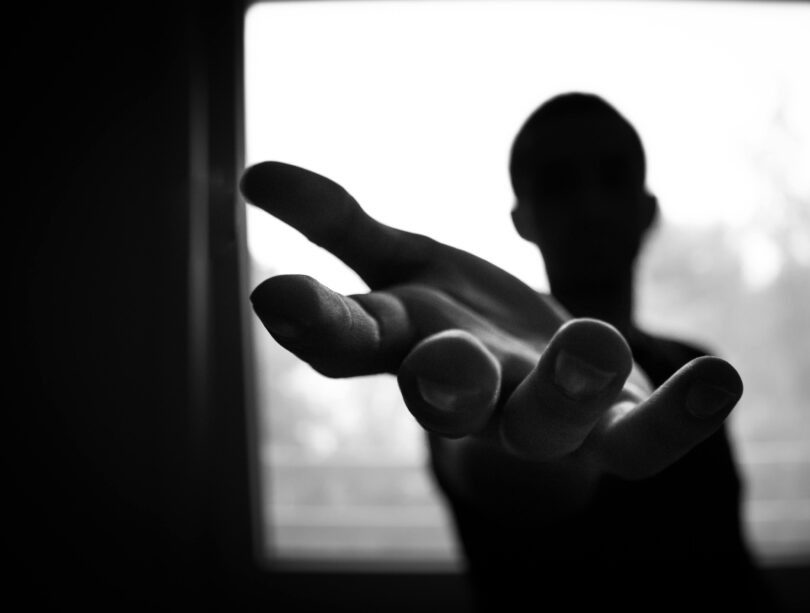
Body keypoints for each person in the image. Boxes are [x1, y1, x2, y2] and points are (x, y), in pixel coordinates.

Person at [241, 93, 775, 610]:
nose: (590, 203)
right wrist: (524, 436)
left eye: (613, 174)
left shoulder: (692, 363)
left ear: (648, 208)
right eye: (558, 183)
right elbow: (501, 474)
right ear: (522, 219)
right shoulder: (485, 369)